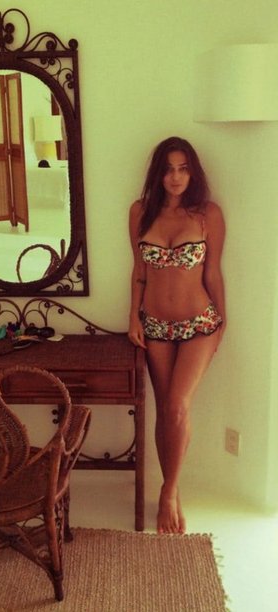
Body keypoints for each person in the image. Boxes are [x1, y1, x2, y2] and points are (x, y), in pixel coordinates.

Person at [128, 136, 226, 534]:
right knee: (164, 408)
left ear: (193, 172)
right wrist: (133, 317)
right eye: (168, 169)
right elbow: (139, 272)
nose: (175, 177)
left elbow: (212, 272)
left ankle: (168, 493)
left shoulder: (207, 215)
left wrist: (223, 319)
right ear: (158, 174)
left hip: (198, 324)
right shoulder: (140, 212)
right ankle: (174, 486)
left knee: (179, 405)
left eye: (183, 168)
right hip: (154, 325)